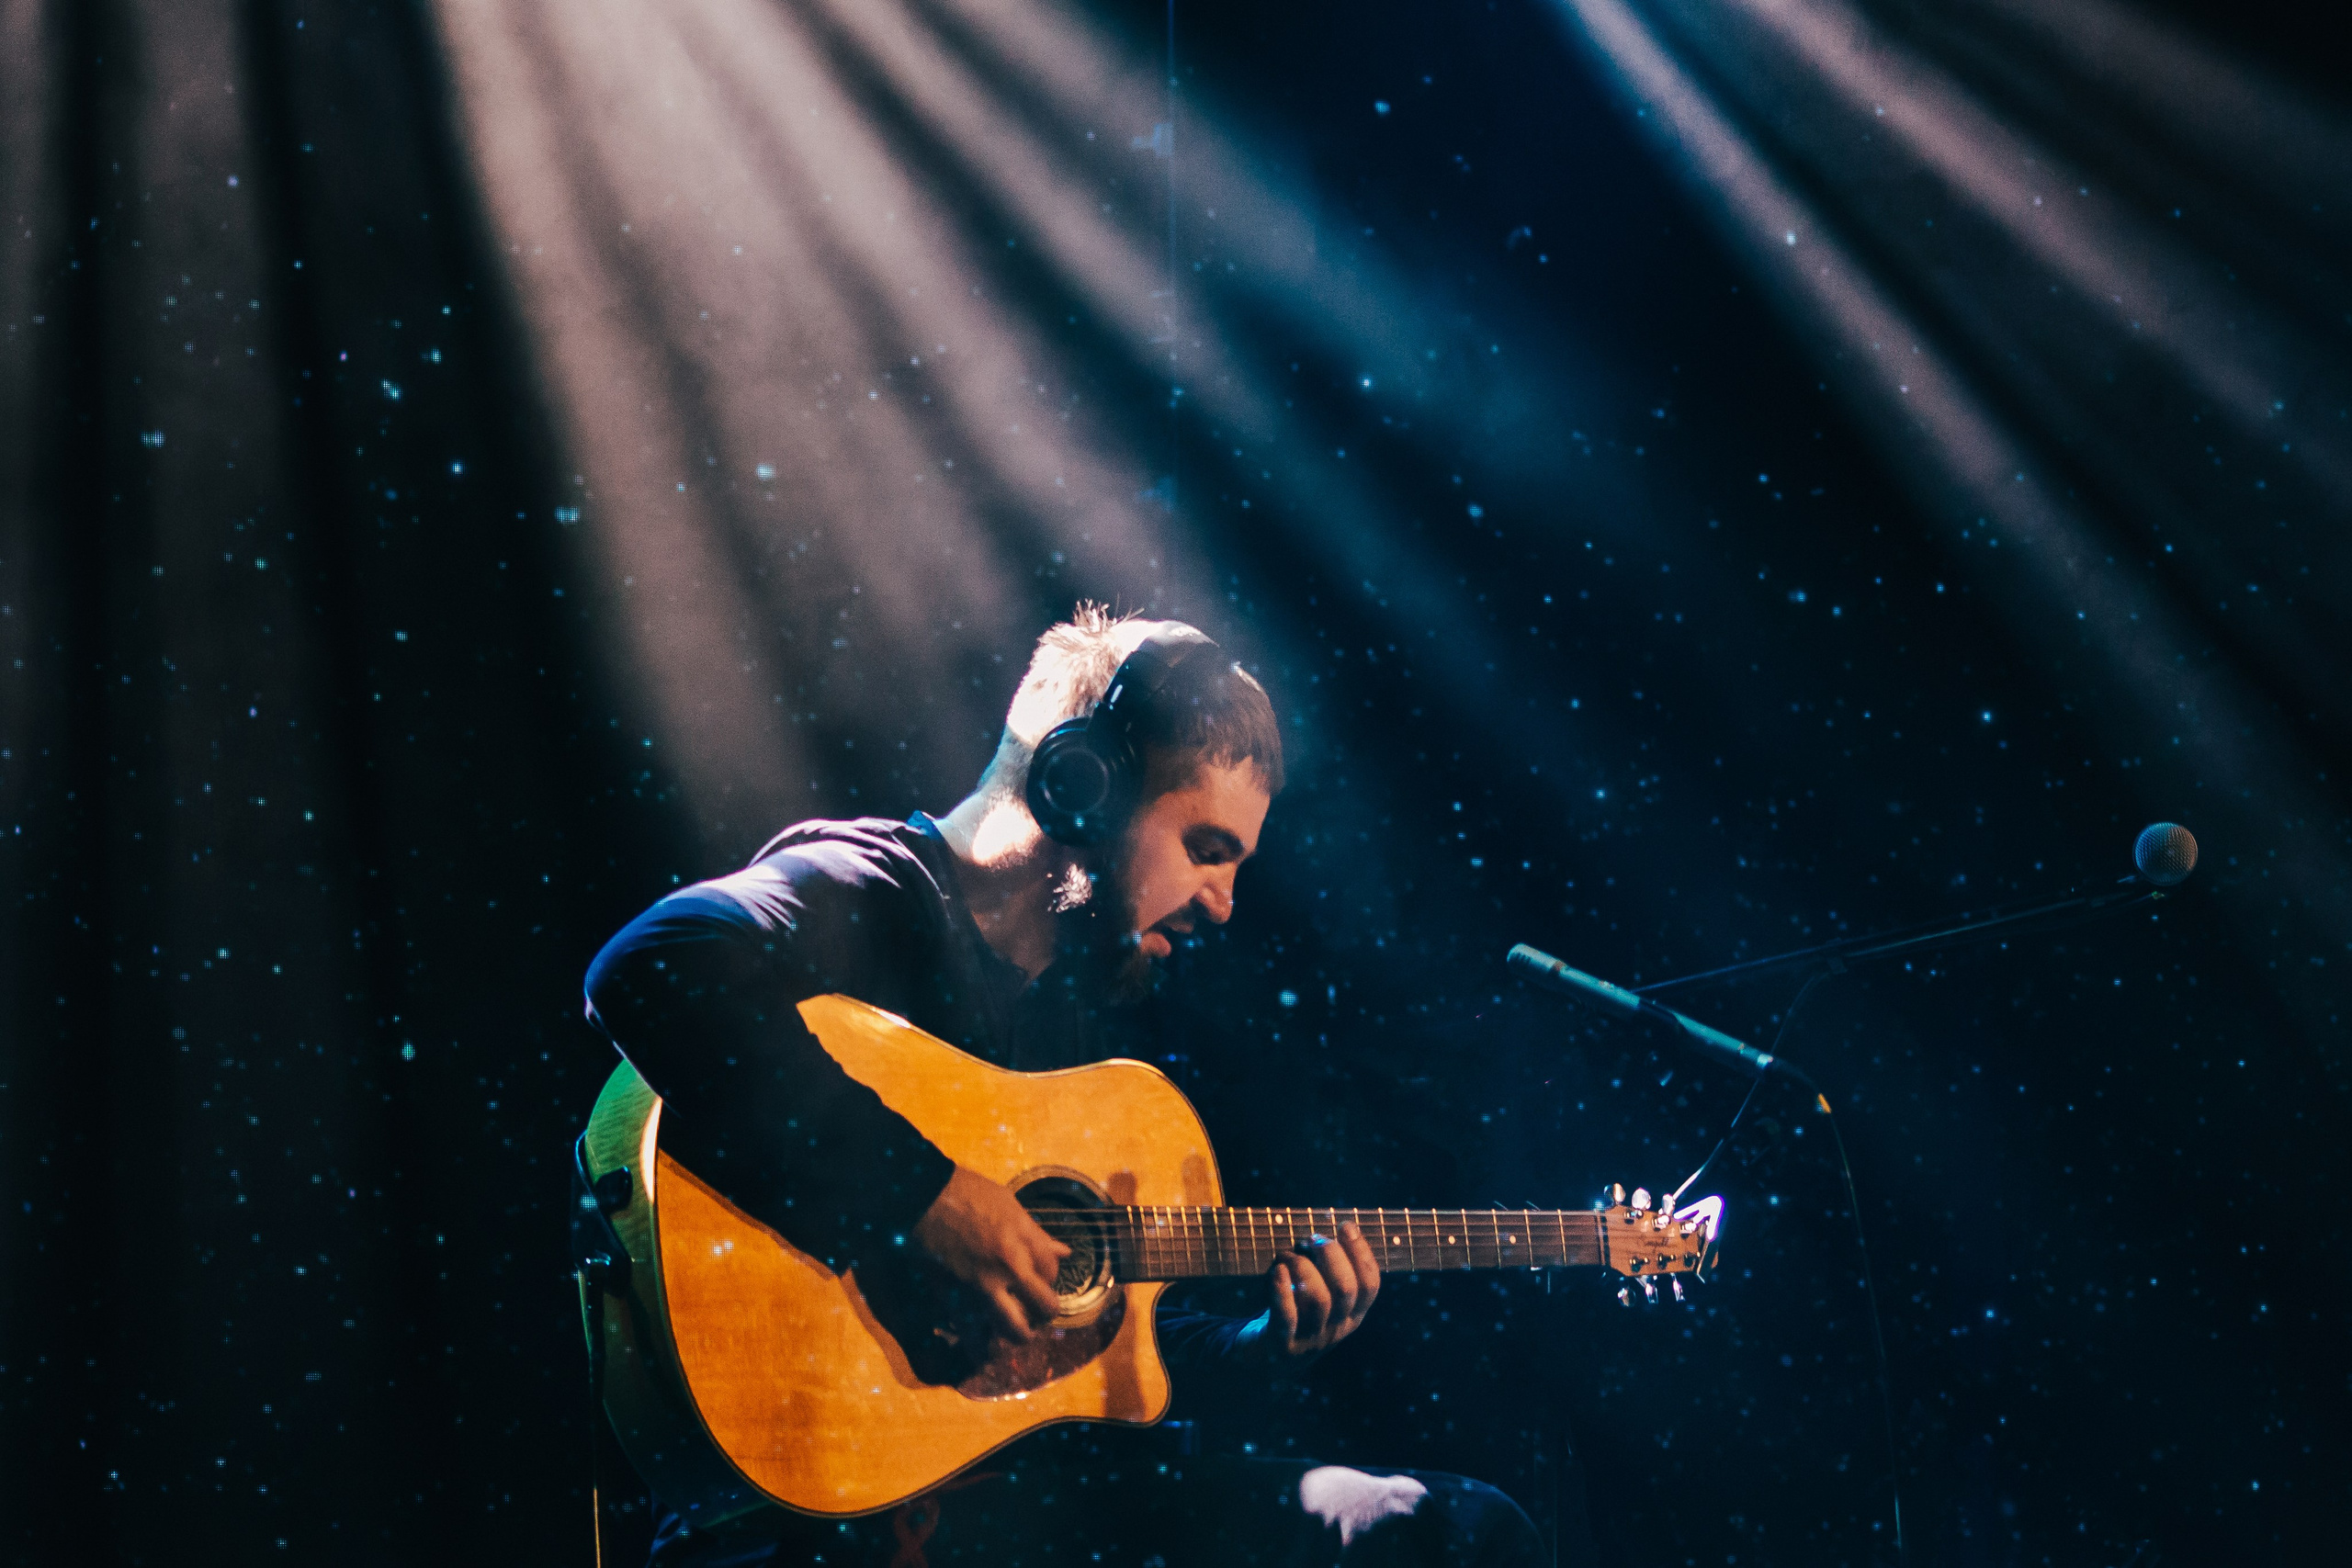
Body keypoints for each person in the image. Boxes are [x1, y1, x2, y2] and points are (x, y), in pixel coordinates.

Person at [584, 606, 1544, 1566]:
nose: (1224, 901)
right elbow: (648, 966)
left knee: (1448, 1532)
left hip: (1015, 1496)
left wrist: (1258, 1343)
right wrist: (923, 1197)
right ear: (1080, 785)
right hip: (810, 1507)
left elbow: (1086, 1355)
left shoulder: (1072, 1024)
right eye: (1207, 848)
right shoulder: (873, 893)